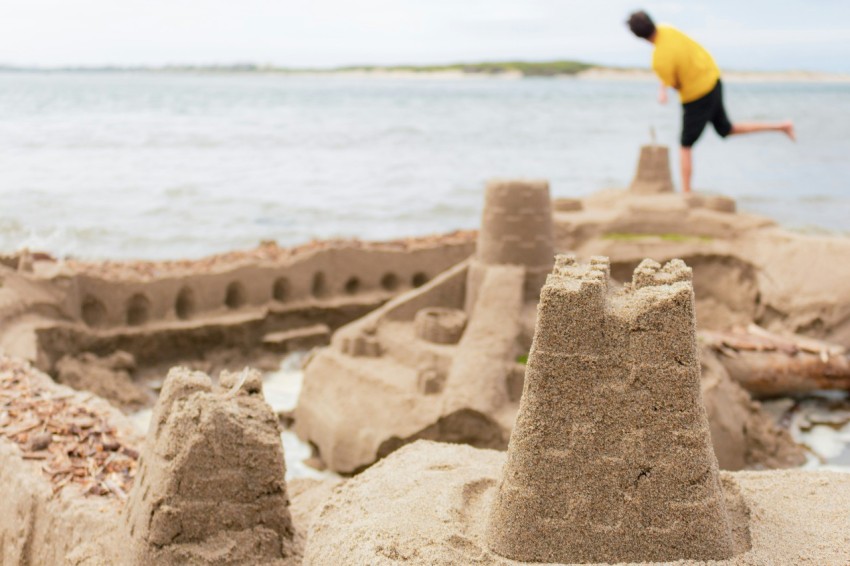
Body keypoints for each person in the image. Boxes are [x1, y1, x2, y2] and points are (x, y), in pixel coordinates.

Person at [626, 10, 795, 194]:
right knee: (726, 129)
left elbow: (675, 84)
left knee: (685, 145)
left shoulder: (659, 60)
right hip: (713, 80)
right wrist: (664, 87)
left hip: (696, 95)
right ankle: (781, 126)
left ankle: (686, 193)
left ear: (638, 36)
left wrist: (665, 89)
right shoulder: (668, 29)